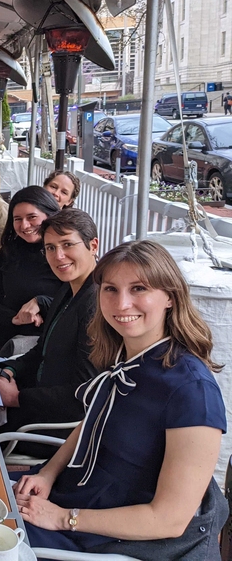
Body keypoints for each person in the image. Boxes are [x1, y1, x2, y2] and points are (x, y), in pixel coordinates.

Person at [14, 240, 226, 560]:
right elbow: (94, 420)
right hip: (70, 495)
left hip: (102, 538)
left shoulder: (192, 391)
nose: (122, 303)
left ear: (170, 296)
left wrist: (63, 517)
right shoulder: (129, 358)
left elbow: (169, 519)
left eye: (139, 288)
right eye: (110, 289)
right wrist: (48, 473)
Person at [0, 209, 99, 453]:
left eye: (68, 244)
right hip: (35, 398)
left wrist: (16, 399)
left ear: (93, 245)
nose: (58, 256)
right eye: (50, 248)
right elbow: (42, 350)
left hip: (56, 428)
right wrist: (9, 370)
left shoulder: (96, 305)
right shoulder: (69, 289)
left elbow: (82, 394)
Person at [0, 187, 62, 354]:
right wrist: (16, 319)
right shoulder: (10, 250)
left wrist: (41, 302)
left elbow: (74, 304)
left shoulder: (62, 256)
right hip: (2, 334)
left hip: (37, 346)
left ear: (49, 215)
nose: (24, 225)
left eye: (32, 217)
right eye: (17, 219)